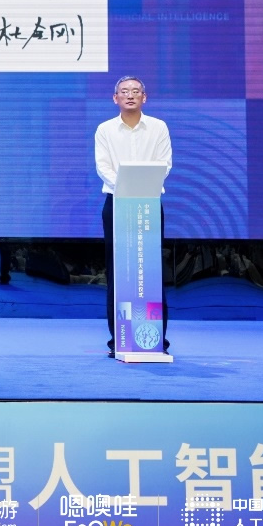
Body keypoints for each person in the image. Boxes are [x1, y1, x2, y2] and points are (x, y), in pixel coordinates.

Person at [94, 76, 171, 356]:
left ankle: (156, 340)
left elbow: (165, 164)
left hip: (149, 203)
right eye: (124, 91)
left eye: (136, 91)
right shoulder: (105, 129)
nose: (130, 95)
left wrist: (141, 186)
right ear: (115, 98)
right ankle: (119, 339)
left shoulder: (159, 127)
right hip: (117, 204)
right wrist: (126, 187)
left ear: (144, 97)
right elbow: (103, 166)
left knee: (150, 270)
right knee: (119, 270)